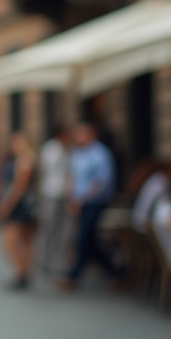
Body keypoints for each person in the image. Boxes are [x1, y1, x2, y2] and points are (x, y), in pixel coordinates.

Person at [58, 124, 117, 290]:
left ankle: (73, 276)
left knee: (84, 238)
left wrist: (81, 199)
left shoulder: (101, 154)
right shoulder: (78, 153)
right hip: (79, 202)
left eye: (81, 134)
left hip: (95, 202)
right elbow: (71, 176)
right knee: (89, 241)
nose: (78, 137)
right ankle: (116, 272)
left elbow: (100, 182)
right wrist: (71, 198)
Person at [0, 133, 37, 290]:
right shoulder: (17, 159)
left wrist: (6, 206)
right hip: (25, 205)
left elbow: (19, 187)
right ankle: (25, 273)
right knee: (26, 241)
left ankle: (21, 272)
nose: (14, 145)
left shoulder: (25, 160)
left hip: (22, 206)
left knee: (9, 240)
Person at [37, 124, 71, 276]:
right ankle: (46, 258)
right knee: (52, 226)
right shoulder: (56, 149)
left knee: (56, 227)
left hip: (55, 192)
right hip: (53, 192)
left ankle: (51, 258)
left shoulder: (54, 149)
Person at [131, 161, 171, 232]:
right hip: (143, 223)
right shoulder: (162, 181)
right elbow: (166, 203)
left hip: (139, 219)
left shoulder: (155, 179)